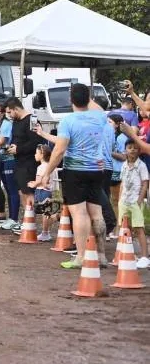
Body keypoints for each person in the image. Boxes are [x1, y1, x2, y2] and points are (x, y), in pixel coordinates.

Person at [42, 84, 113, 270]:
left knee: (80, 213)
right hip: (98, 169)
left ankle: (81, 256)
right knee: (96, 213)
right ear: (89, 98)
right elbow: (97, 106)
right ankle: (101, 255)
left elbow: (60, 149)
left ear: (70, 100)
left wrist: (47, 172)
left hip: (75, 170)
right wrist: (86, 95)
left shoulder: (68, 120)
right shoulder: (99, 117)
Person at [5, 97, 43, 227]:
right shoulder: (16, 121)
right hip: (19, 161)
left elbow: (36, 141)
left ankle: (30, 222)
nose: (9, 115)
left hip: (30, 162)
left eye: (10, 112)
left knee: (28, 191)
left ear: (16, 108)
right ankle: (26, 220)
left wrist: (19, 149)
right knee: (22, 191)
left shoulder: (31, 120)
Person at [118, 140, 150, 268]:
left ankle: (144, 256)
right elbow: (122, 184)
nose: (132, 150)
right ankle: (127, 253)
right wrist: (120, 199)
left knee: (139, 228)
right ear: (125, 150)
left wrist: (140, 199)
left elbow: (145, 183)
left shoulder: (141, 166)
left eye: (135, 148)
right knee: (125, 228)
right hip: (124, 201)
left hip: (135, 201)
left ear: (139, 150)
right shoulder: (124, 165)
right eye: (129, 147)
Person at [27, 145, 57, 242]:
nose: (35, 155)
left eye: (36, 153)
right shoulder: (52, 166)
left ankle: (45, 233)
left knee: (45, 213)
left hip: (43, 191)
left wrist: (32, 184)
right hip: (50, 191)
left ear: (42, 154)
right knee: (48, 212)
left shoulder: (41, 167)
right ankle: (46, 231)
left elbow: (39, 180)